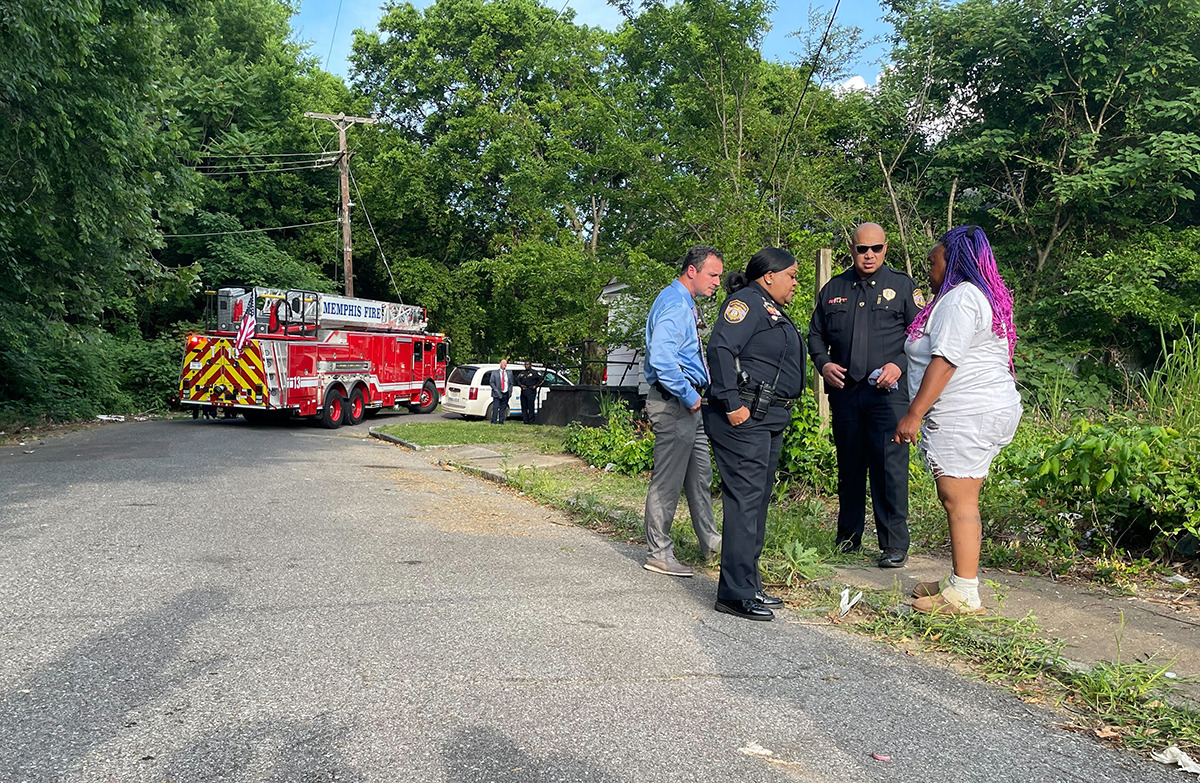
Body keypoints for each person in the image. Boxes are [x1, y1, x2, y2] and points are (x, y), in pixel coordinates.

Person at [893, 225, 1022, 615]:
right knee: (961, 497)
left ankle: (964, 593)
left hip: (966, 412)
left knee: (958, 500)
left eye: (933, 264)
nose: (929, 272)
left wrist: (913, 414)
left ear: (953, 263)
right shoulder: (975, 296)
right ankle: (957, 579)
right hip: (982, 409)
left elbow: (945, 359)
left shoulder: (961, 298)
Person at [808, 223, 923, 568]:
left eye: (875, 248)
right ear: (852, 249)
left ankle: (893, 544)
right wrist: (824, 363)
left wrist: (900, 365)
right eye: (862, 249)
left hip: (887, 396)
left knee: (889, 469)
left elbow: (921, 338)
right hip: (846, 393)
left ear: (886, 249)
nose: (869, 255)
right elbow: (815, 336)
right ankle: (848, 539)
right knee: (851, 467)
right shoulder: (833, 288)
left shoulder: (903, 287)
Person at [704, 248, 806, 621]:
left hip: (767, 418)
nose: (796, 283)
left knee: (757, 500)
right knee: (745, 501)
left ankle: (749, 581)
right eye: (792, 276)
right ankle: (734, 592)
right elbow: (720, 348)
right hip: (743, 418)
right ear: (768, 276)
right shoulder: (746, 303)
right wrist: (732, 404)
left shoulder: (771, 309)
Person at [642, 245, 724, 578]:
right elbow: (662, 359)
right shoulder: (675, 304)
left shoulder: (680, 302)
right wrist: (690, 396)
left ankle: (712, 544)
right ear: (692, 270)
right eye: (713, 274)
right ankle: (659, 552)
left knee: (699, 478)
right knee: (668, 482)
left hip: (689, 405)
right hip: (676, 402)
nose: (717, 281)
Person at [489, 359, 513, 424]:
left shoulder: (509, 373)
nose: (504, 365)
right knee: (495, 407)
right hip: (497, 393)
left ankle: (501, 421)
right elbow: (491, 382)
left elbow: (511, 383)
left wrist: (510, 392)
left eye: (505, 364)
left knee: (503, 408)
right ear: (500, 364)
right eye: (503, 364)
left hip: (506, 392)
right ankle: (494, 421)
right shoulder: (495, 372)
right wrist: (496, 391)